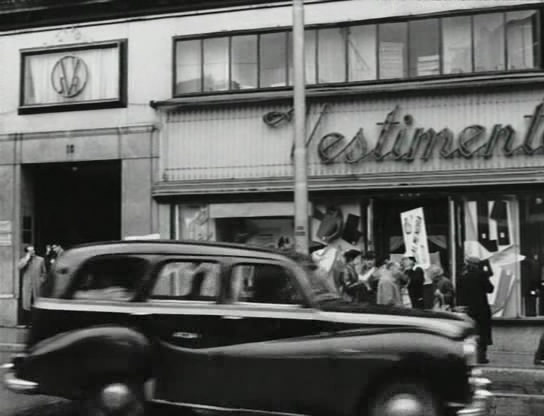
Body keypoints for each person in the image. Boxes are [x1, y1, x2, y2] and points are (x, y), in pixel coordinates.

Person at [457, 256, 494, 364]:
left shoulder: (462, 276)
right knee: (483, 332)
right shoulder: (481, 274)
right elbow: (490, 289)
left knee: (470, 333)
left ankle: (469, 356)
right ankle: (481, 356)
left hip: (467, 309)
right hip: (481, 307)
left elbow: (459, 293)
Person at [17, 245, 46, 323]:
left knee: (37, 304)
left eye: (33, 250)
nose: (32, 252)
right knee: (27, 305)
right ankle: (28, 322)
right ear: (27, 252)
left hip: (37, 285)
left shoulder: (41, 260)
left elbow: (44, 272)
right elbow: (19, 267)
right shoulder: (23, 260)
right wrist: (27, 259)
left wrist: (41, 280)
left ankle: (37, 322)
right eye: (30, 251)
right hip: (28, 286)